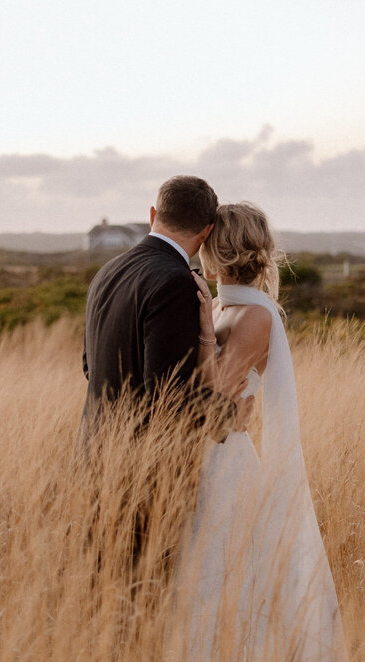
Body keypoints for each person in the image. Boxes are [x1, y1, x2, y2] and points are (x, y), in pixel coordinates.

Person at [182, 202, 365, 662]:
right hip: (207, 460)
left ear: (214, 247)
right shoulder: (229, 303)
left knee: (234, 594)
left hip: (227, 466)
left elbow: (217, 399)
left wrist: (205, 332)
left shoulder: (253, 316)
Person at [80, 175, 244, 570]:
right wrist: (230, 415)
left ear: (153, 215)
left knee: (104, 602)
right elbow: (168, 393)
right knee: (147, 599)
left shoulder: (108, 271)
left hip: (94, 460)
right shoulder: (175, 282)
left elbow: (91, 367)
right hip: (147, 478)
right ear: (206, 233)